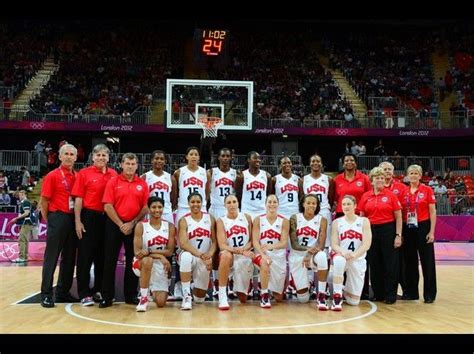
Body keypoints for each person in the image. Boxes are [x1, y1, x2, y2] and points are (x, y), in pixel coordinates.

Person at [99, 153, 149, 308]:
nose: (130, 166)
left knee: (133, 261)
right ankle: (107, 296)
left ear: (137, 166)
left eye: (133, 164)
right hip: (114, 225)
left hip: (134, 226)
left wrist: (132, 223)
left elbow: (145, 206)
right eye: (127, 163)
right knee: (109, 261)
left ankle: (131, 295)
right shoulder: (113, 181)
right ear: (121, 164)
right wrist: (121, 224)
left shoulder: (142, 183)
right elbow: (107, 205)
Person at [71, 144, 118, 306]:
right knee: (85, 255)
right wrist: (78, 221)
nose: (101, 158)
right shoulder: (84, 174)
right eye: (98, 155)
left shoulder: (114, 174)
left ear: (108, 158)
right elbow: (78, 198)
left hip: (108, 218)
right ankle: (84, 293)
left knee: (103, 256)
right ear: (92, 157)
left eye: (104, 155)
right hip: (89, 216)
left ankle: (99, 290)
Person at [39, 143, 78, 308]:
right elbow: (44, 201)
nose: (69, 157)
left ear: (76, 158)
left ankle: (63, 292)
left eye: (72, 154)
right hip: (57, 217)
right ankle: (46, 294)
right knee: (51, 258)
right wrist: (51, 220)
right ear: (60, 157)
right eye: (66, 154)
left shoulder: (78, 176)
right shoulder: (52, 176)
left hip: (73, 218)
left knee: (69, 259)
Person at [359, 166, 402, 304]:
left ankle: (390, 295)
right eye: (377, 178)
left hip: (388, 229)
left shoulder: (391, 195)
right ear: (372, 180)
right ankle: (378, 294)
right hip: (371, 230)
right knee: (374, 263)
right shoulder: (366, 196)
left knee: (390, 264)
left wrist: (398, 235)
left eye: (382, 178)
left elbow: (399, 217)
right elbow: (362, 216)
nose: (380, 180)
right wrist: (362, 235)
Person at [400, 164, 437, 303]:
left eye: (416, 173)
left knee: (427, 262)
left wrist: (431, 232)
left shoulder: (427, 190)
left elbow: (433, 212)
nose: (413, 175)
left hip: (423, 226)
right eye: (411, 173)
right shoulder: (404, 191)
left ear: (420, 176)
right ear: (407, 175)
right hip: (408, 227)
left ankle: (429, 294)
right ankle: (411, 292)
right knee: (410, 261)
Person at [132, 196, 176, 312]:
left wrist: (150, 252)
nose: (157, 210)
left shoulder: (170, 226)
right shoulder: (141, 226)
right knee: (147, 261)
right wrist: (161, 255)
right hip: (141, 263)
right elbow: (137, 253)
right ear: (148, 208)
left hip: (160, 263)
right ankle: (143, 297)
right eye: (154, 207)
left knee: (161, 302)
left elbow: (170, 251)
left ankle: (151, 288)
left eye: (160, 207)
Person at [330, 195, 372, 311]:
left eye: (348, 204)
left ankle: (344, 289)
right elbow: (334, 244)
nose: (346, 206)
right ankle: (337, 296)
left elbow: (366, 244)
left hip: (357, 259)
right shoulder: (337, 222)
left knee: (353, 302)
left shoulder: (364, 221)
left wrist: (354, 255)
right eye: (343, 204)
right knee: (338, 260)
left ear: (355, 206)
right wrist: (343, 252)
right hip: (342, 256)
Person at [288, 194, 329, 310]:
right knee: (303, 299)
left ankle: (321, 295)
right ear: (303, 204)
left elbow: (321, 245)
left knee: (322, 256)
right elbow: (294, 244)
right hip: (297, 255)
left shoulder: (322, 220)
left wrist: (310, 254)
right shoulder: (294, 218)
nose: (311, 205)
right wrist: (308, 251)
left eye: (314, 203)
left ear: (317, 206)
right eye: (308, 203)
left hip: (313, 255)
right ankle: (306, 283)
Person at [177, 192, 217, 310]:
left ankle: (194, 285)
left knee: (199, 299)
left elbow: (214, 242)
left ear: (202, 203)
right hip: (191, 255)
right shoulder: (184, 220)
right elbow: (183, 243)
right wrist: (201, 255)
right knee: (186, 257)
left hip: (204, 257)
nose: (195, 204)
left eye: (198, 202)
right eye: (193, 202)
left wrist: (209, 255)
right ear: (188, 204)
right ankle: (186, 295)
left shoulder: (210, 218)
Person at [215, 194, 254, 310]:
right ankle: (222, 294)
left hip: (245, 254)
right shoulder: (221, 221)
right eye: (229, 202)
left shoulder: (246, 217)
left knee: (242, 299)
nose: (232, 205)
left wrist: (244, 250)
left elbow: (252, 241)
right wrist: (240, 251)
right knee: (225, 255)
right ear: (224, 205)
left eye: (234, 201)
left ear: (238, 203)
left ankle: (236, 282)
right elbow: (222, 245)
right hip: (230, 254)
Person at [252, 195, 289, 308]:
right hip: (261, 254)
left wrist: (270, 246)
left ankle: (276, 287)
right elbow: (255, 241)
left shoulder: (284, 221)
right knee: (264, 262)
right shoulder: (258, 219)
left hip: (278, 255)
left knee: (278, 298)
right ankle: (264, 294)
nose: (272, 204)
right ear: (265, 204)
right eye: (269, 202)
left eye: (274, 202)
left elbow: (283, 243)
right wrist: (263, 254)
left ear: (278, 204)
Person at [301, 154, 335, 248]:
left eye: (318, 161)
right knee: (311, 234)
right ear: (310, 164)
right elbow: (302, 197)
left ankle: (325, 258)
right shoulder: (303, 180)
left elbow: (331, 198)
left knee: (326, 238)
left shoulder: (328, 179)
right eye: (313, 161)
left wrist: (327, 207)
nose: (315, 163)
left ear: (321, 164)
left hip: (324, 210)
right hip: (309, 211)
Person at [173, 147, 208, 225]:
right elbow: (176, 191)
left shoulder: (205, 173)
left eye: (196, 154)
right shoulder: (178, 172)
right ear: (187, 157)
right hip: (184, 207)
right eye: (191, 154)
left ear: (199, 157)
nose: (193, 156)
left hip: (200, 207)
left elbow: (207, 191)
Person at [141, 150, 177, 224]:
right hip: (150, 212)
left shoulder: (171, 178)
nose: (159, 161)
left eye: (161, 159)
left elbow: (173, 197)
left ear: (165, 161)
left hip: (166, 212)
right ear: (151, 160)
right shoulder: (144, 177)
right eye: (156, 158)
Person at [236, 151, 272, 220]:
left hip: (262, 211)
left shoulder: (267, 176)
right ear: (248, 160)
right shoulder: (241, 176)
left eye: (259, 158)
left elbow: (268, 194)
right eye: (255, 158)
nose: (258, 160)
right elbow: (239, 194)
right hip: (247, 211)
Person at [207, 147, 238, 220]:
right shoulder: (211, 172)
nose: (225, 158)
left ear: (231, 158)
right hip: (215, 208)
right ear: (218, 157)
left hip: (230, 207)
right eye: (223, 156)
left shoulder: (236, 173)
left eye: (227, 156)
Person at [8, 190, 33, 263]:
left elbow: (26, 213)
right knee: (25, 240)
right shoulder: (24, 202)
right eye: (19, 195)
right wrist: (17, 220)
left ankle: (22, 257)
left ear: (24, 195)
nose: (19, 197)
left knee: (21, 240)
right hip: (25, 223)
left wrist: (16, 218)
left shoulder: (25, 202)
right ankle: (24, 257)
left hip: (26, 222)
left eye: (21, 195)